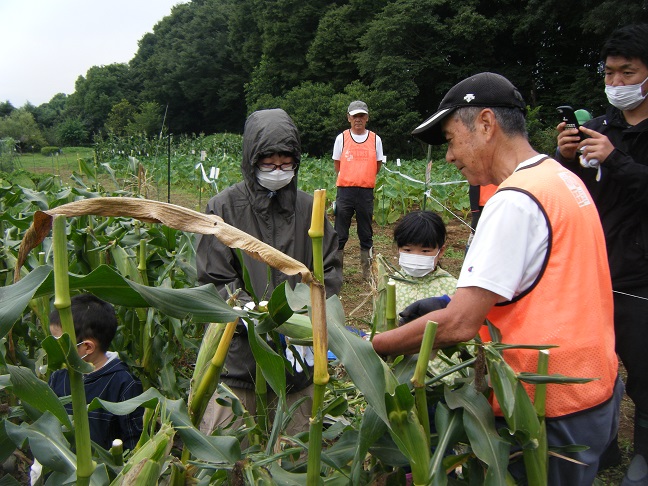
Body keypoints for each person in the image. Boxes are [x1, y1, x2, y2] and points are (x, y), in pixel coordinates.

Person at [373, 72, 622, 484]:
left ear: (486, 124)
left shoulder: (514, 200)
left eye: (452, 139)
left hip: (546, 404)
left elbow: (459, 324)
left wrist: (374, 347)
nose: (450, 156)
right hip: (594, 387)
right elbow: (548, 283)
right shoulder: (561, 180)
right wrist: (448, 303)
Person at [196, 108, 342, 437]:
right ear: (251, 160)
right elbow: (215, 279)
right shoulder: (224, 208)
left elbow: (329, 269)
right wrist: (257, 316)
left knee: (295, 452)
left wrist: (306, 320)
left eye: (285, 162)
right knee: (229, 453)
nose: (278, 170)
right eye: (269, 162)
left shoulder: (310, 209)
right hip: (238, 361)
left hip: (298, 362)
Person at [556, 23, 648, 483]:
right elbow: (571, 191)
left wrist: (616, 159)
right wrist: (566, 157)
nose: (616, 84)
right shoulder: (599, 127)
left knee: (643, 364)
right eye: (609, 74)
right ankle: (605, 441)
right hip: (594, 268)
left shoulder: (621, 141)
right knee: (595, 361)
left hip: (641, 275)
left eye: (626, 72)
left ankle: (643, 453)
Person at [48, 294, 144, 451]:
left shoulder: (123, 384)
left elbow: (133, 442)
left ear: (87, 347)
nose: (51, 347)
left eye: (58, 342)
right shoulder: (57, 379)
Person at [332, 100, 384, 279]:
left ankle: (367, 273)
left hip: (365, 192)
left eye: (361, 116)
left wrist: (362, 177)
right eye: (355, 116)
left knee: (366, 233)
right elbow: (337, 164)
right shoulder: (342, 138)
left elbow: (377, 165)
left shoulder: (375, 139)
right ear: (349, 118)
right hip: (345, 191)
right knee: (339, 234)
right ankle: (335, 273)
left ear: (367, 118)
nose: (358, 119)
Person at [391, 210, 457, 313]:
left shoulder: (452, 287)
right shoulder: (390, 284)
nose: (416, 257)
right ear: (398, 249)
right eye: (408, 250)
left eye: (425, 251)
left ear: (441, 251)